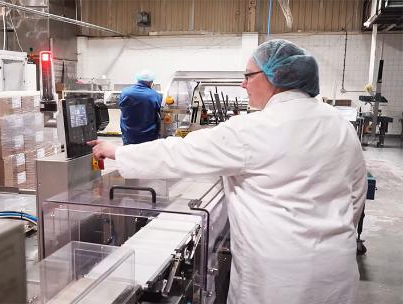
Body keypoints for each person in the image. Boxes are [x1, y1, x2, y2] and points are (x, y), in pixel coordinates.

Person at [88, 39, 367, 304]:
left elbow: (180, 153)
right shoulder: (339, 125)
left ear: (275, 78)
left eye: (248, 75)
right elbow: (356, 196)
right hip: (336, 271)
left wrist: (117, 152)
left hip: (280, 280)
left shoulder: (253, 129)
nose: (243, 84)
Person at [118, 70, 162, 145]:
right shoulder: (155, 95)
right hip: (148, 138)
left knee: (128, 155)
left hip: (128, 136)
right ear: (150, 82)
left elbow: (121, 106)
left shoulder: (125, 92)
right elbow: (160, 112)